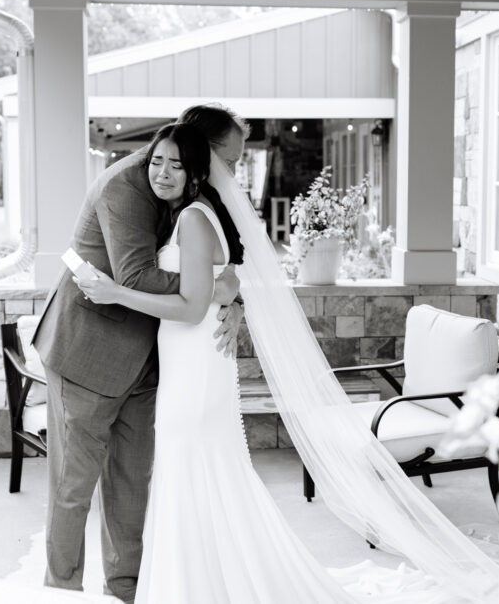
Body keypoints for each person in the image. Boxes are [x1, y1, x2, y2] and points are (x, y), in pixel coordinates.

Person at [80, 123, 372, 603]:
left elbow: (192, 308)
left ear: (197, 173)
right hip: (191, 365)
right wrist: (227, 290)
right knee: (201, 476)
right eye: (157, 161)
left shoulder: (193, 219)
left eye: (177, 165)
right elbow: (215, 282)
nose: (164, 173)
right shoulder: (193, 216)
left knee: (188, 472)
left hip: (194, 369)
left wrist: (115, 293)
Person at [31, 104, 248, 602]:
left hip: (150, 362)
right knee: (73, 489)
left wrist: (233, 295)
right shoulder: (126, 186)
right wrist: (217, 287)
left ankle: (125, 592)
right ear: (202, 147)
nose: (233, 172)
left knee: (131, 487)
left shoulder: (194, 196)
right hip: (88, 352)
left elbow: (210, 266)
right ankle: (60, 593)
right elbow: (133, 276)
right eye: (230, 160)